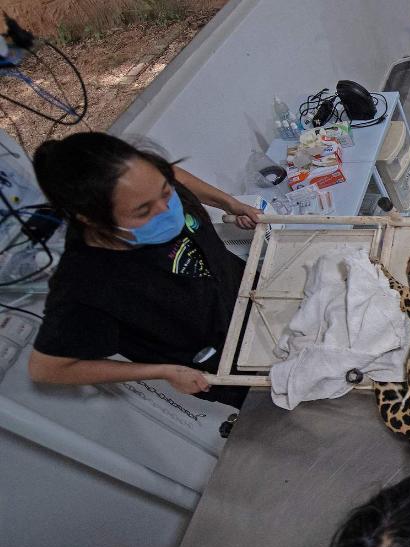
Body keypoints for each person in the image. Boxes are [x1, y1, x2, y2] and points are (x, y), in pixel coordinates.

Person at [27, 132, 261, 409]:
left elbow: (173, 174)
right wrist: (161, 371)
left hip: (251, 294)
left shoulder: (148, 182)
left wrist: (228, 202)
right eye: (143, 211)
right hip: (234, 364)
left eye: (166, 191)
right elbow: (47, 368)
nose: (165, 210)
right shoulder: (86, 285)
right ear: (91, 219)